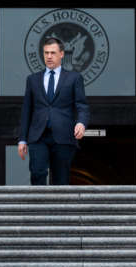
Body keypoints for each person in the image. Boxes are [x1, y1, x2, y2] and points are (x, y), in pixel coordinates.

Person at [18, 37, 90, 185]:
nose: (49, 56)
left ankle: (58, 209)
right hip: (38, 135)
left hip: (63, 135)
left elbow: (82, 105)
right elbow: (27, 110)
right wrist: (22, 139)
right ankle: (39, 208)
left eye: (53, 53)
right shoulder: (32, 79)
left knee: (60, 179)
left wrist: (81, 123)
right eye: (46, 53)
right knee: (38, 172)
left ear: (62, 54)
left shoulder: (74, 78)